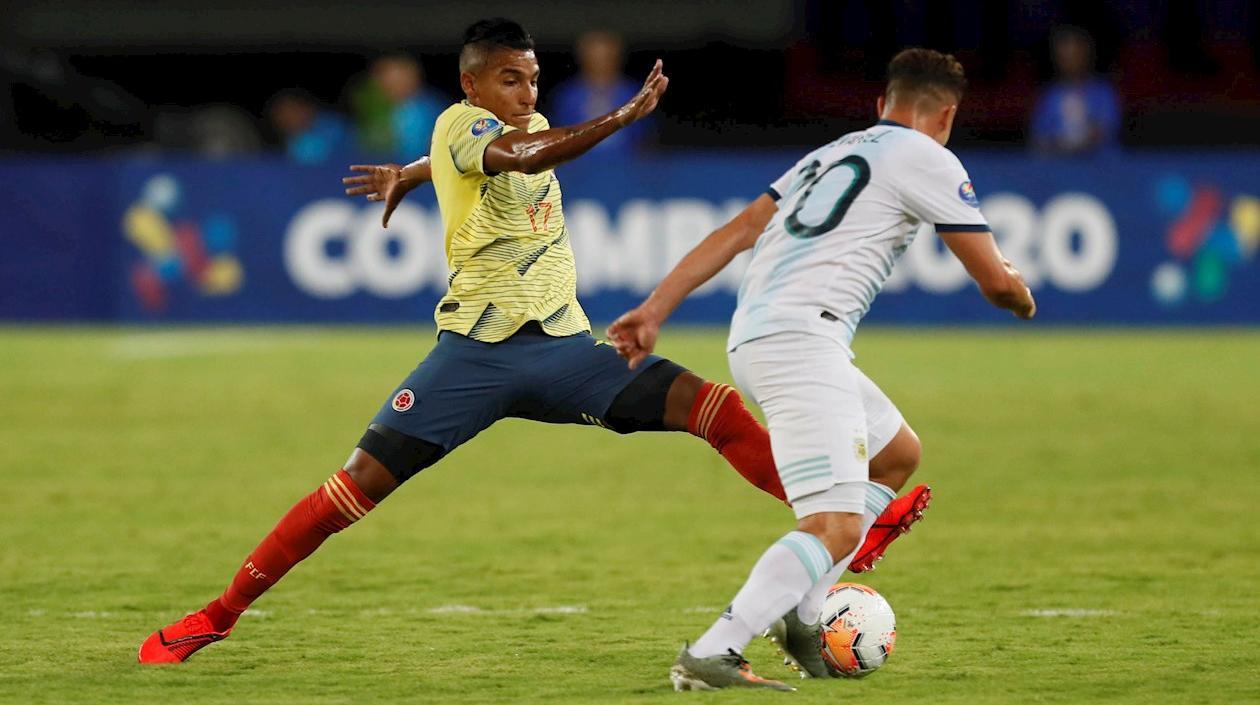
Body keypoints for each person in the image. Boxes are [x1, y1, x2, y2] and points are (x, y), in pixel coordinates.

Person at [138, 17, 824, 667]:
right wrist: (619, 117)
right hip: (473, 358)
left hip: (565, 353)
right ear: (472, 86)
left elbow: (477, 157)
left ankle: (838, 523)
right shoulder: (466, 123)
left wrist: (408, 175)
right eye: (509, 80)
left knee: (711, 407)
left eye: (531, 80)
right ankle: (219, 613)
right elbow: (512, 157)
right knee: (354, 488)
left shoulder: (511, 127)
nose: (526, 95)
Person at [608, 48, 1036, 691]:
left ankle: (803, 614)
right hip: (802, 343)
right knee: (833, 526)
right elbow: (996, 284)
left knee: (895, 455)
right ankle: (716, 648)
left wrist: (654, 307)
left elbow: (741, 228)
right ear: (945, 115)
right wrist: (1021, 294)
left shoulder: (828, 154)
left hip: (759, 335)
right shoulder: (930, 158)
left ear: (880, 105)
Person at [548, 30, 651, 155]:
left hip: (625, 165)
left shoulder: (632, 92)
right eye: (595, 57)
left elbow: (645, 138)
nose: (600, 63)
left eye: (606, 57)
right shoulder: (567, 95)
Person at [1029, 26, 1121, 155]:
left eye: (1075, 54)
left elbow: (1105, 130)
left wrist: (1075, 145)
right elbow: (1039, 138)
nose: (1070, 61)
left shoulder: (1103, 92)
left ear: (1086, 54)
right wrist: (1060, 146)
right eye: (1064, 56)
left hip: (1101, 168)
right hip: (1060, 168)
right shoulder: (1049, 95)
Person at [266, 89, 353, 164]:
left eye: (291, 111)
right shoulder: (291, 141)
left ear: (306, 108)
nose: (286, 120)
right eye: (280, 117)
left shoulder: (334, 126)